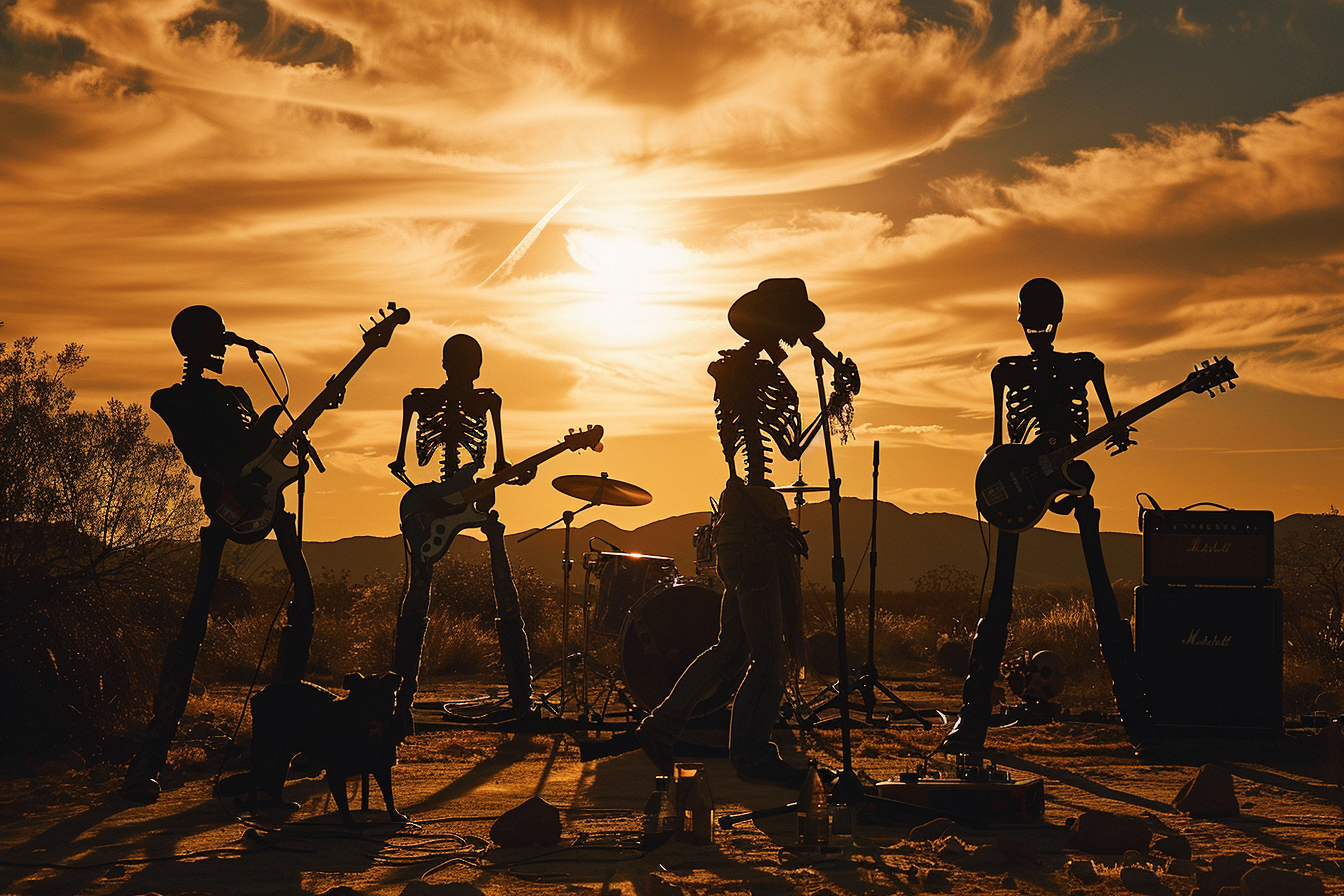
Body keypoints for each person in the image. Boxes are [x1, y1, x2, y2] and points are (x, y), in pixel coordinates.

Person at [940, 277, 1159, 759]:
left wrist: (1116, 432)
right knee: (1000, 599)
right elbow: (997, 447)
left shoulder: (1086, 367)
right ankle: (972, 719)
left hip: (1071, 480)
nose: (1032, 327)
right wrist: (1019, 478)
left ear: (1056, 320)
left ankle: (1139, 721)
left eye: (1039, 317)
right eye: (1027, 317)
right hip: (1024, 487)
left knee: (1102, 594)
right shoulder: (1006, 373)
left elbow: (1111, 426)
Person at [121, 306, 322, 801]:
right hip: (226, 506)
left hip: (269, 507)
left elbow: (264, 450)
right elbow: (200, 456)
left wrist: (286, 428)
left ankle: (279, 741)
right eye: (212, 337)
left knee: (304, 603)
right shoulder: (172, 399)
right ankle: (153, 751)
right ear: (190, 342)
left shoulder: (239, 395)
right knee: (195, 621)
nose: (224, 346)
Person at [636, 278, 830, 787]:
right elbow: (791, 449)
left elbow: (777, 450)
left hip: (739, 521)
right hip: (755, 526)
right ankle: (750, 753)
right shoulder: (756, 377)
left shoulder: (736, 372)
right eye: (789, 324)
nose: (794, 336)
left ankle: (662, 726)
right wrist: (837, 399)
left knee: (730, 650)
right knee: (770, 657)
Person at [388, 334, 535, 724]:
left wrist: (516, 475)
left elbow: (500, 465)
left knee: (421, 593)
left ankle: (521, 696)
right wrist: (436, 497)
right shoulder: (438, 401)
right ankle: (402, 701)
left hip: (463, 504)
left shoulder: (482, 402)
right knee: (419, 595)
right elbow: (400, 462)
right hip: (434, 508)